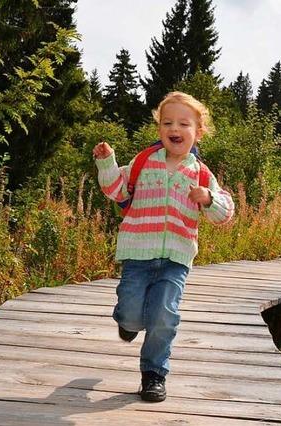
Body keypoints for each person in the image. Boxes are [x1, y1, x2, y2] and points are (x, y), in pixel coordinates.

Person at [92, 91, 234, 402]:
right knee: (131, 314)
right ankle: (127, 323)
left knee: (164, 316)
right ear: (160, 130)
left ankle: (154, 374)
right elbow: (116, 189)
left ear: (198, 132)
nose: (175, 128)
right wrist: (107, 163)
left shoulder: (201, 173)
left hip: (176, 259)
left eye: (184, 123)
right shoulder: (144, 162)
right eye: (167, 122)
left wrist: (209, 199)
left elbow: (225, 212)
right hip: (137, 255)